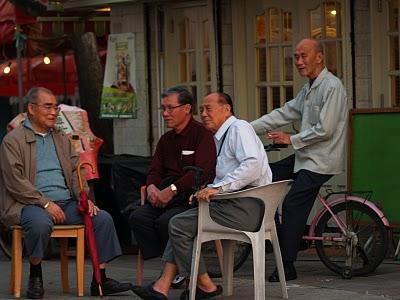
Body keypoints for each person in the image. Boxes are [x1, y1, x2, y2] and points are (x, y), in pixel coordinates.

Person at [132, 92, 273, 300]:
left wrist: (218, 189)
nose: (204, 114)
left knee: (178, 224)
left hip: (247, 208)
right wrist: (205, 191)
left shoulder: (239, 128)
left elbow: (252, 166)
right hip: (235, 205)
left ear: (226, 110)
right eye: (202, 110)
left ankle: (205, 285)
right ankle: (163, 287)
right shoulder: (221, 137)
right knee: (180, 222)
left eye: (209, 109)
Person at [0, 87, 132, 299]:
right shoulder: (13, 140)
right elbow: (15, 181)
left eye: (56, 107)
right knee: (41, 223)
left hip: (66, 202)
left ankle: (100, 280)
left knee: (102, 219)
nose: (54, 112)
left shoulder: (61, 138)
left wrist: (84, 197)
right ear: (31, 109)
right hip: (28, 204)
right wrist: (45, 204)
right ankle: (36, 275)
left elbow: (76, 170)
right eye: (48, 107)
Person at [251, 38, 348, 282]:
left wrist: (291, 139)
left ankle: (287, 264)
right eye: (296, 57)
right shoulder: (308, 89)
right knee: (264, 177)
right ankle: (279, 236)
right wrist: (244, 128)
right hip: (305, 157)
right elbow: (284, 113)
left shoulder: (332, 87)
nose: (299, 61)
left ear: (319, 57)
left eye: (304, 56)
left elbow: (325, 129)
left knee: (293, 204)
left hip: (321, 161)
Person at [127, 87, 216, 272]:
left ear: (187, 108)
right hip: (163, 196)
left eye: (170, 108)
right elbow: (154, 169)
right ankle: (171, 263)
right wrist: (151, 187)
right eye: (163, 109)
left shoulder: (202, 135)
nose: (165, 114)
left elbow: (201, 173)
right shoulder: (166, 139)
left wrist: (172, 190)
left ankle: (174, 268)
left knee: (166, 222)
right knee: (137, 218)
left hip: (189, 198)